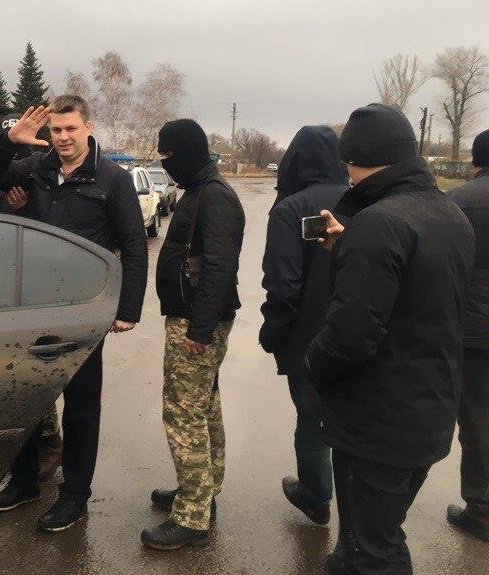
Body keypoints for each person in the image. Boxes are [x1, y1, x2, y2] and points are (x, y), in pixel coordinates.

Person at [305, 104, 474, 575]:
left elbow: (351, 334)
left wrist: (313, 365)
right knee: (368, 538)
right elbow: (417, 291)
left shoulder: (378, 223)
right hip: (428, 408)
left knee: (373, 552)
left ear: (355, 160)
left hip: (379, 424)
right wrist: (349, 248)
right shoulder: (449, 213)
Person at [0, 96, 148, 532]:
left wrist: (127, 308)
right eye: (56, 130)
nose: (63, 137)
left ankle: (74, 495)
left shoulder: (112, 179)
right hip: (34, 306)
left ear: (87, 127)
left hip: (85, 310)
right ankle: (25, 481)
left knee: (81, 407)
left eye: (71, 128)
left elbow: (134, 244)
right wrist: (9, 140)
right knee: (25, 397)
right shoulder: (37, 168)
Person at [143, 119, 245, 551]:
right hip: (194, 320)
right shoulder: (201, 189)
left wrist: (200, 329)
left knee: (184, 413)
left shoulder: (214, 195)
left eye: (168, 155)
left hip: (196, 324)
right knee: (203, 406)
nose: (165, 163)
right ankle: (201, 492)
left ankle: (192, 516)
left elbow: (221, 266)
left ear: (186, 152)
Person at [259, 126, 349, 525]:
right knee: (354, 419)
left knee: (312, 420)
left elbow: (283, 284)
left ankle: (316, 495)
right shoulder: (367, 202)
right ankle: (357, 507)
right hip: (360, 333)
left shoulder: (291, 209)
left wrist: (273, 333)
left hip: (309, 339)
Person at [0, 115, 64, 483]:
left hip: (35, 282)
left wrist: (26, 208)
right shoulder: (3, 173)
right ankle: (28, 445)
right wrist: (10, 208)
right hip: (3, 279)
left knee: (38, 365)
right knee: (14, 368)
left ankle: (49, 442)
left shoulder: (41, 170)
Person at [445, 128, 489, 541]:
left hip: (473, 332)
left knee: (477, 418)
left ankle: (481, 508)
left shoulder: (458, 202)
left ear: (475, 161)